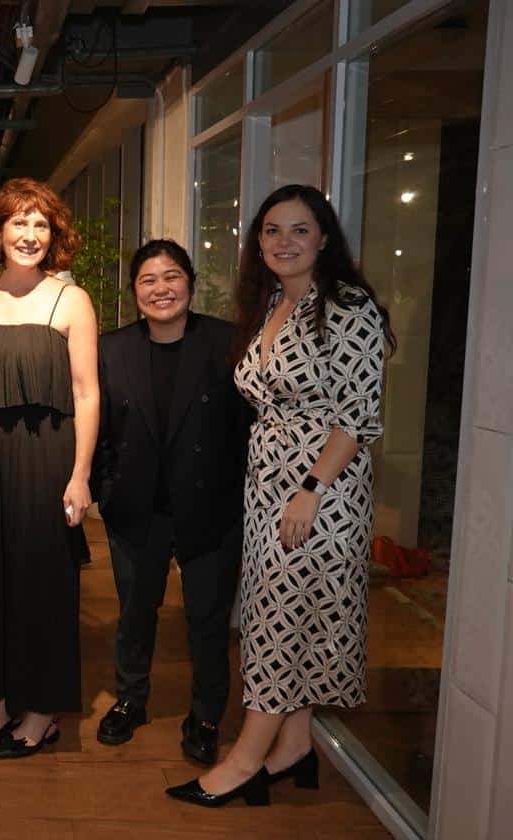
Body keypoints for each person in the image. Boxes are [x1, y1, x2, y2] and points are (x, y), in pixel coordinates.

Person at [167, 184, 394, 807]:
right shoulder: (271, 303)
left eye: (299, 229)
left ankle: (244, 760)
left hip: (321, 493)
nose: (284, 242)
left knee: (273, 623)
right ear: (258, 242)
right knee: (287, 617)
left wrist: (311, 490)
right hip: (269, 487)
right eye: (272, 230)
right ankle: (294, 748)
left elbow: (358, 416)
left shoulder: (348, 307)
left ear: (324, 237)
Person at [0, 178, 99, 759]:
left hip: (46, 456)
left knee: (43, 584)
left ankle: (42, 709)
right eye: (19, 222)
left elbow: (87, 393)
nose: (30, 234)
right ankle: (2, 700)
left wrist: (80, 473)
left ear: (53, 235)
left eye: (41, 224)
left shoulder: (70, 301)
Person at [91, 239, 251, 764]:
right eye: (148, 280)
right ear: (135, 291)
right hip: (137, 508)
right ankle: (130, 700)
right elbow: (99, 428)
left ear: (191, 282)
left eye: (171, 277)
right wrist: (105, 488)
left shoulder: (227, 343)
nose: (161, 289)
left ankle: (205, 715)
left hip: (212, 508)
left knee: (207, 620)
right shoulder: (112, 348)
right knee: (136, 614)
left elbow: (249, 429)